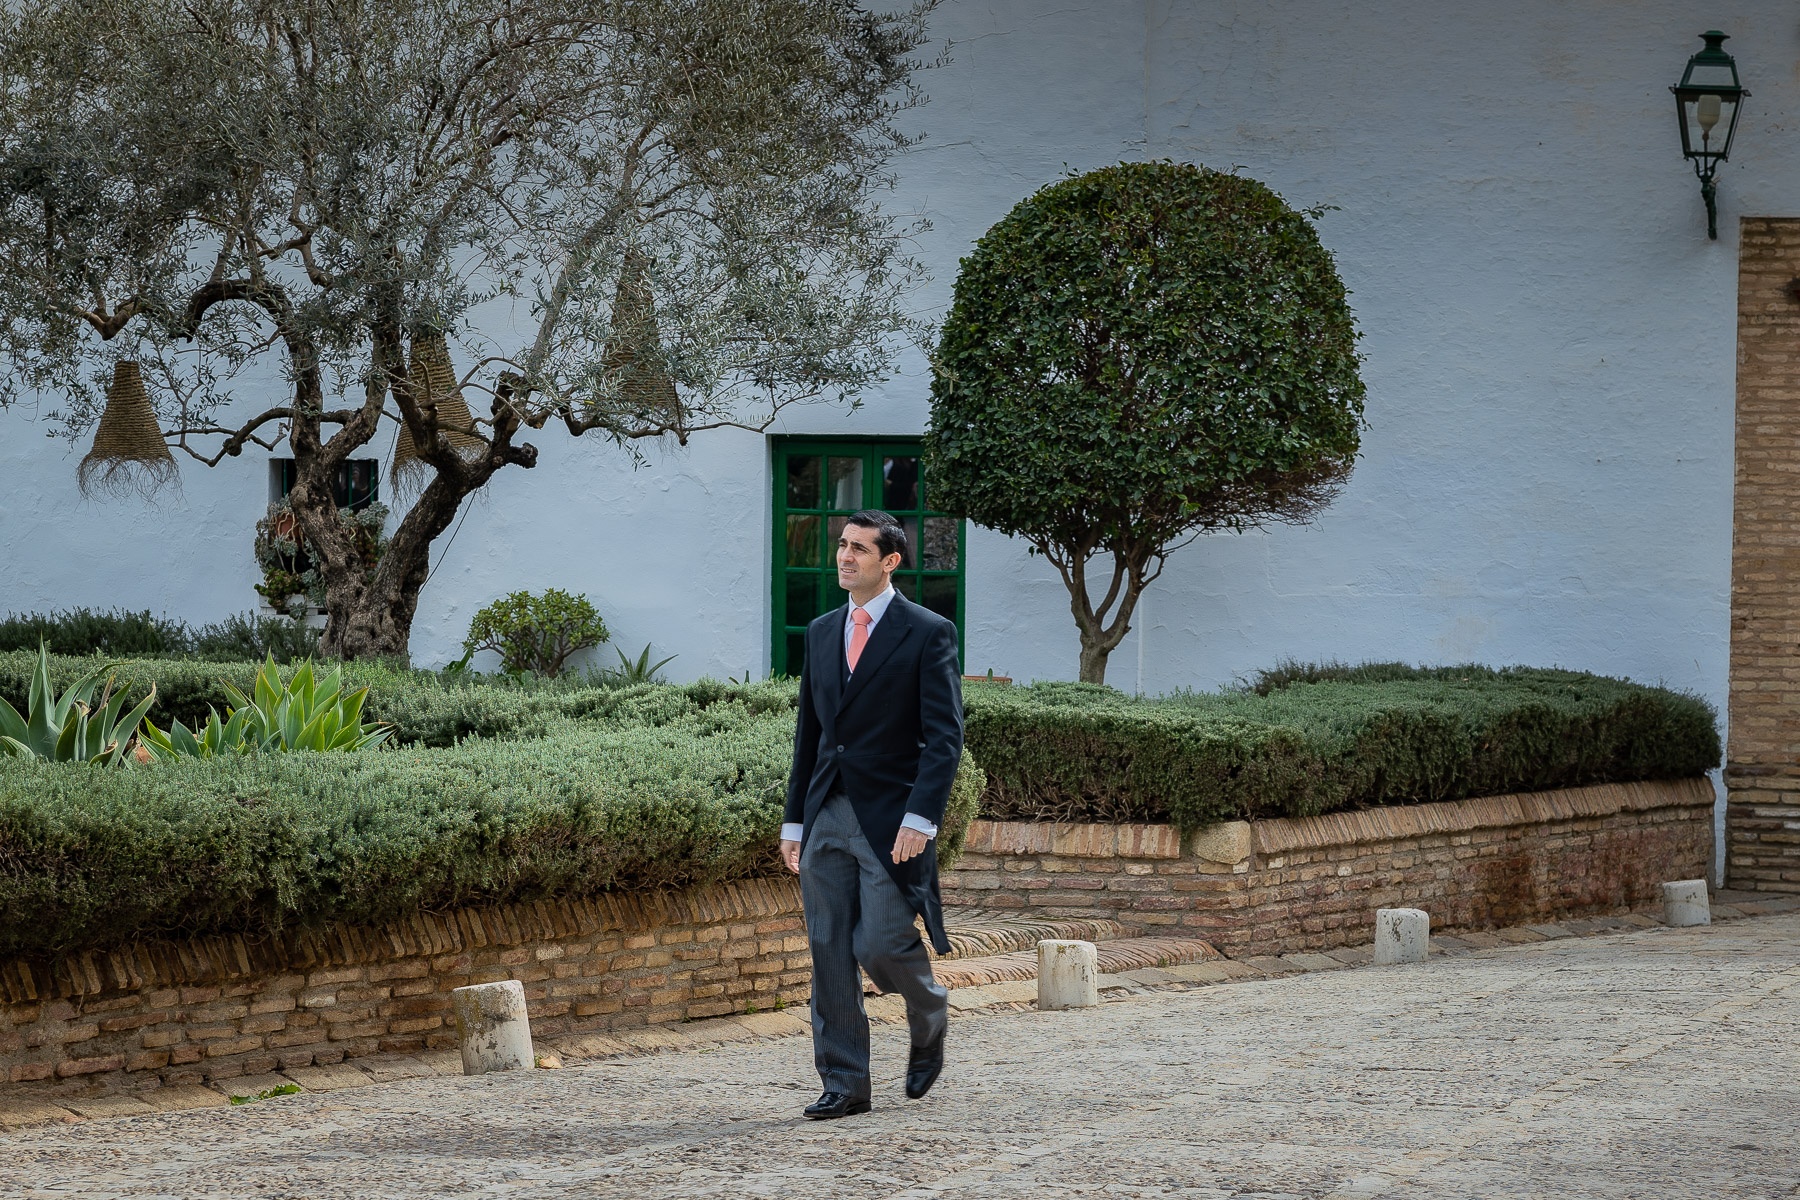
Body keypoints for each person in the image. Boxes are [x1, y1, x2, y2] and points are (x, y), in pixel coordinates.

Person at [781, 508, 963, 1120]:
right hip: (826, 811)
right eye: (842, 545)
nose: (844, 556)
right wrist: (793, 821)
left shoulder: (927, 631)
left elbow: (944, 738)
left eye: (859, 548)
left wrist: (921, 817)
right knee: (828, 945)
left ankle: (928, 1006)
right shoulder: (821, 630)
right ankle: (844, 1080)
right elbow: (810, 732)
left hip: (890, 818)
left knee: (880, 943)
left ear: (890, 561)